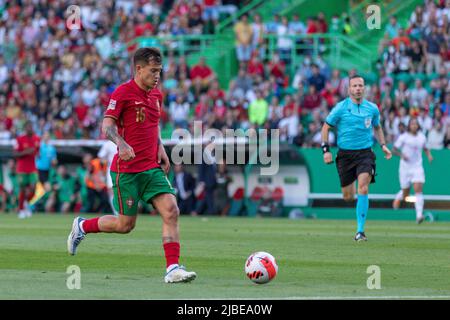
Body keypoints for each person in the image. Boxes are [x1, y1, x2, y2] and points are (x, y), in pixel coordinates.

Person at [67, 47, 196, 283]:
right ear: (138, 69)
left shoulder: (157, 95)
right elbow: (106, 127)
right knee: (125, 225)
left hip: (151, 168)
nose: (157, 76)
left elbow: (153, 124)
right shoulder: (123, 93)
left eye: (160, 71)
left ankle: (173, 268)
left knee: (171, 210)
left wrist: (160, 148)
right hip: (126, 171)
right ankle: (83, 226)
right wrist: (122, 143)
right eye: (153, 71)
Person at [321, 75, 392, 241]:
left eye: (360, 85)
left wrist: (382, 145)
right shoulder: (340, 108)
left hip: (365, 154)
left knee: (364, 188)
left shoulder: (372, 108)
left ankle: (360, 231)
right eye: (354, 86)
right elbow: (325, 127)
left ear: (364, 88)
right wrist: (326, 150)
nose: (358, 88)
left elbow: (377, 127)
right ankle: (353, 192)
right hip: (345, 155)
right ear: (349, 89)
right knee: (348, 196)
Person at [392, 118, 433, 223]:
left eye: (416, 124)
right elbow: (394, 150)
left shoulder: (422, 137)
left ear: (418, 126)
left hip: (417, 167)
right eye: (412, 124)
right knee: (406, 194)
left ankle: (419, 215)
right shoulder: (403, 137)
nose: (414, 126)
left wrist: (429, 156)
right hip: (405, 168)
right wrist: (402, 155)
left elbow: (425, 148)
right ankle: (400, 195)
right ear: (409, 126)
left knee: (418, 189)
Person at [13, 121, 40, 219]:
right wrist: (26, 152)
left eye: (31, 126)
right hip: (22, 169)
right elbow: (15, 154)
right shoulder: (20, 139)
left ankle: (25, 203)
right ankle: (21, 210)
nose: (30, 128)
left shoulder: (36, 138)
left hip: (32, 168)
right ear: (25, 128)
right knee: (23, 190)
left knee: (34, 188)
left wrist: (38, 154)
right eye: (28, 127)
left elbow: (37, 151)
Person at [98, 140, 118, 215]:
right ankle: (116, 212)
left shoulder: (126, 140)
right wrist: (102, 172)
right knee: (111, 191)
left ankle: (124, 212)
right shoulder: (108, 144)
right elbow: (101, 157)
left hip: (124, 170)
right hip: (112, 170)